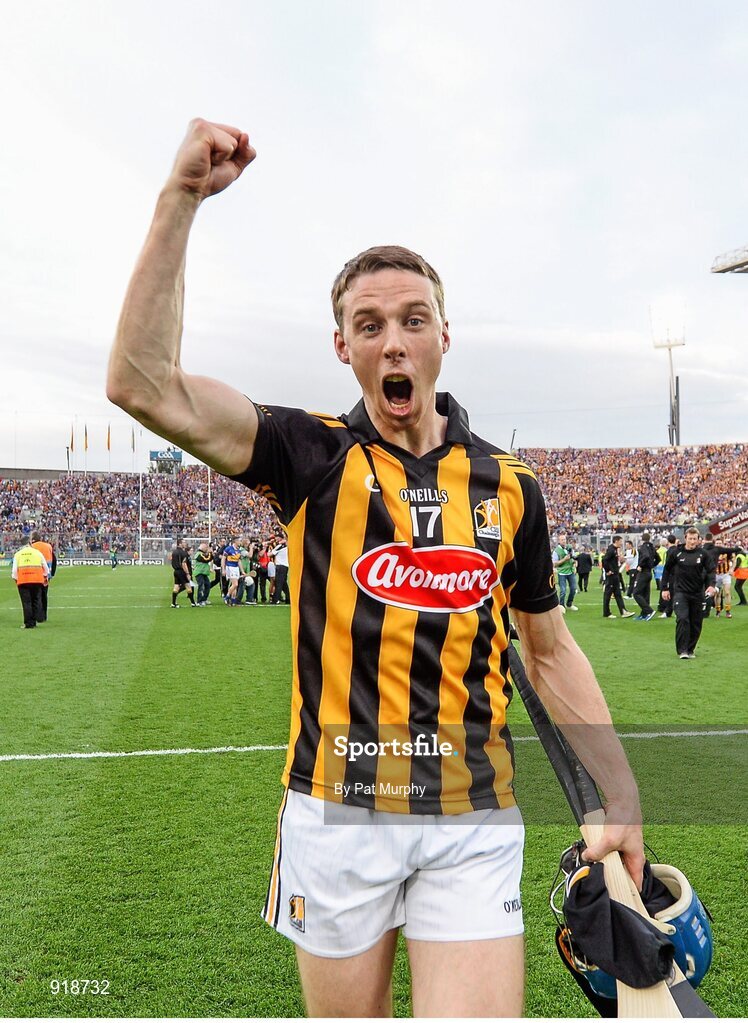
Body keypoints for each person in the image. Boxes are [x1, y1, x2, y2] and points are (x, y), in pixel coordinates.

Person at [106, 117, 645, 1018]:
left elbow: (548, 651)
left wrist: (620, 789)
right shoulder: (308, 456)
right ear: (343, 348)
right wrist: (180, 199)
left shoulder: (512, 489)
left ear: (444, 335)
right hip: (336, 814)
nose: (392, 341)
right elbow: (141, 384)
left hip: (472, 816)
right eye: (368, 325)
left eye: (411, 320)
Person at [661, 527, 717, 659]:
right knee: (682, 618)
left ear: (699, 540)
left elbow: (711, 571)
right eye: (690, 538)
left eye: (695, 539)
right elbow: (667, 570)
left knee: (696, 622)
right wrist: (664, 588)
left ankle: (690, 649)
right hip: (680, 592)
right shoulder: (676, 553)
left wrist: (711, 585)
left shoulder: (703, 554)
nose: (692, 541)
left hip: (698, 593)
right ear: (685, 538)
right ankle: (682, 650)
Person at [12, 539, 50, 628]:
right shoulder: (37, 553)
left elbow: (14, 571)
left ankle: (29, 623)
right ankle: (35, 620)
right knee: (36, 601)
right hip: (37, 580)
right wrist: (44, 576)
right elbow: (46, 568)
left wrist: (16, 579)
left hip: (23, 581)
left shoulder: (18, 554)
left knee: (26, 602)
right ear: (29, 543)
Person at [601, 536, 635, 619]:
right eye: (620, 541)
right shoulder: (611, 550)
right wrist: (608, 570)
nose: (621, 543)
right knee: (608, 594)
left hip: (615, 574)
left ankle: (623, 611)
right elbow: (604, 560)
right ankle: (606, 613)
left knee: (618, 594)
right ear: (616, 541)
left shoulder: (615, 549)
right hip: (612, 575)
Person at [632, 531, 659, 621]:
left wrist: (640, 565)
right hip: (649, 572)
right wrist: (652, 565)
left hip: (643, 572)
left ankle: (649, 611)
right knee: (645, 594)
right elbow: (658, 559)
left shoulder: (643, 547)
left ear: (642, 539)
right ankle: (644, 614)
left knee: (636, 593)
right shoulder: (652, 547)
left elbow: (646, 556)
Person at [30, 531, 56, 623]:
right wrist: (52, 573)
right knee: (44, 595)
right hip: (46, 575)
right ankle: (44, 616)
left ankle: (37, 616)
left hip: (35, 574)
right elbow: (54, 559)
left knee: (35, 596)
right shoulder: (48, 546)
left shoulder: (32, 547)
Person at [552, 532, 578, 611]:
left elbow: (573, 557)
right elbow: (555, 564)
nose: (564, 541)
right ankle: (562, 605)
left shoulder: (569, 547)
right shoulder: (556, 551)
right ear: (559, 541)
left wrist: (575, 562)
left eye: (565, 539)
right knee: (563, 591)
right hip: (562, 572)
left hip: (571, 571)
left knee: (573, 589)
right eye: (562, 540)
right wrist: (564, 559)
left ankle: (569, 604)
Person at [171, 538, 196, 607]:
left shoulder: (174, 552)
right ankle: (193, 603)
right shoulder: (183, 553)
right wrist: (187, 573)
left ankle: (173, 603)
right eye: (184, 542)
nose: (185, 543)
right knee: (188, 586)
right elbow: (184, 564)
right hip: (182, 572)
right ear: (180, 544)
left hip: (176, 571)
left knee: (176, 586)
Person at [657, 534, 678, 617]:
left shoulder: (669, 551)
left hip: (671, 574)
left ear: (668, 542)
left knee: (671, 593)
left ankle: (667, 611)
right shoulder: (677, 550)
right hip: (678, 574)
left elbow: (668, 565)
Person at [271, 539, 290, 604]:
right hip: (285, 566)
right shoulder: (289, 547)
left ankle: (275, 599)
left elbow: (270, 554)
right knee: (284, 584)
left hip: (280, 566)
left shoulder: (280, 546)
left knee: (278, 583)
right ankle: (289, 598)